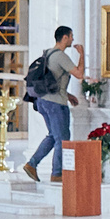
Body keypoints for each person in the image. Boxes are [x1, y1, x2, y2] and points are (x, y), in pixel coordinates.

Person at [22, 25, 84, 184]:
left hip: (43, 101)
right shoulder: (61, 56)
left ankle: (32, 164)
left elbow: (52, 80)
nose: (72, 39)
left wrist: (68, 95)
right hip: (56, 104)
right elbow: (79, 74)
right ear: (64, 38)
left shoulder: (48, 54)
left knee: (53, 136)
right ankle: (57, 174)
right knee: (62, 140)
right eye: (71, 36)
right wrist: (82, 55)